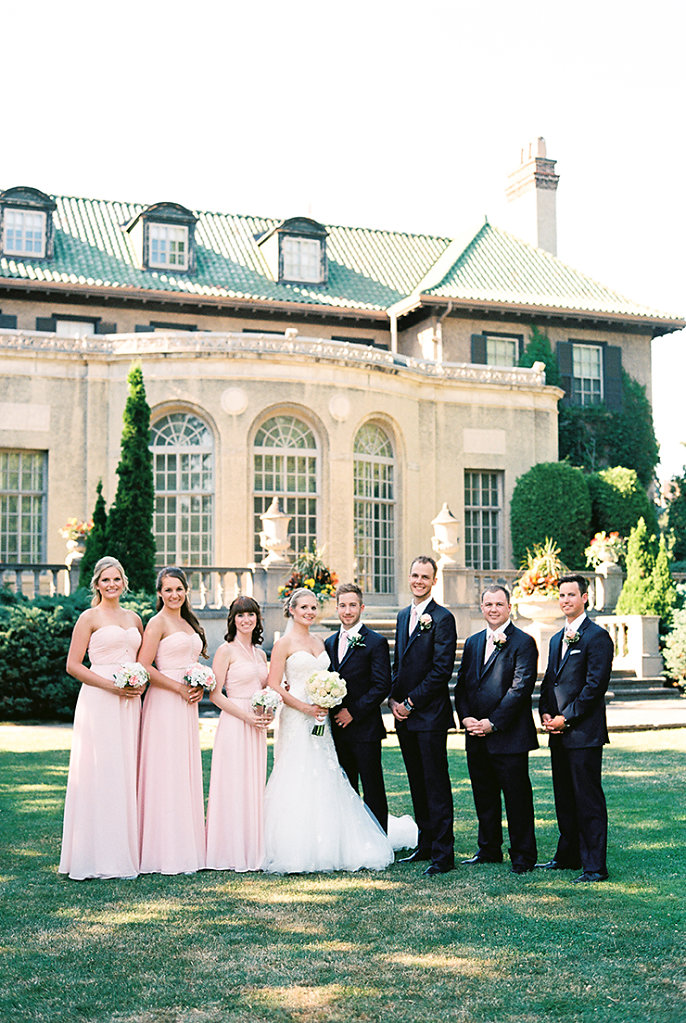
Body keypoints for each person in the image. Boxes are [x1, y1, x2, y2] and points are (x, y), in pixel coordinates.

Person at [262, 587, 394, 874]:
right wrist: (305, 707)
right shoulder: (285, 643)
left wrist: (328, 701)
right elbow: (274, 683)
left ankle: (340, 841)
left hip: (325, 721)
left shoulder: (322, 642)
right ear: (291, 610)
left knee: (329, 776)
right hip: (298, 718)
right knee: (296, 776)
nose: (309, 612)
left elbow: (340, 680)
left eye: (313, 608)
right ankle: (296, 845)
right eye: (304, 608)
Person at [59, 556, 144, 880]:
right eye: (105, 580)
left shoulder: (135, 619)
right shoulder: (89, 617)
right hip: (100, 700)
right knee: (100, 769)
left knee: (125, 770)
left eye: (116, 580)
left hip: (129, 701)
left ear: (124, 583)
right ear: (96, 584)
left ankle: (123, 852)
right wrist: (112, 686)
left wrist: (136, 684)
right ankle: (92, 856)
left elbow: (141, 660)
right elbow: (74, 665)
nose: (111, 585)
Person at [454, 585, 539, 873]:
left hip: (510, 736)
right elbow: (463, 685)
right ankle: (489, 849)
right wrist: (466, 718)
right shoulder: (473, 642)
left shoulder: (524, 642)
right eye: (488, 604)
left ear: (509, 607)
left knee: (517, 799)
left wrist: (493, 723)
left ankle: (523, 855)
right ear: (481, 607)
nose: (493, 609)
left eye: (499, 604)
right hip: (475, 735)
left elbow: (520, 689)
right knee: (484, 795)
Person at [538, 574, 614, 883]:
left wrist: (566, 718)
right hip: (558, 732)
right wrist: (545, 713)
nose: (566, 600)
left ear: (585, 597)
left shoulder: (597, 637)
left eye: (572, 594)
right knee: (564, 797)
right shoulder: (557, 638)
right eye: (562, 595)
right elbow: (549, 681)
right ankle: (568, 856)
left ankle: (595, 865)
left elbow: (594, 687)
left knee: (587, 798)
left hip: (583, 734)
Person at [389, 556, 458, 876]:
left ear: (434, 581)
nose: (418, 580)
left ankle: (444, 854)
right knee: (417, 783)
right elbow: (399, 665)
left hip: (429, 716)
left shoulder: (442, 618)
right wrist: (392, 699)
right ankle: (425, 844)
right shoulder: (404, 616)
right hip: (403, 716)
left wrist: (411, 702)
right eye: (415, 575)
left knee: (435, 783)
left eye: (425, 576)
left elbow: (441, 669)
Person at [137, 567, 207, 874]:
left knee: (182, 769)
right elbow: (144, 666)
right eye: (168, 590)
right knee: (164, 769)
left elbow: (192, 662)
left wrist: (198, 684)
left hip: (187, 706)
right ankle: (160, 850)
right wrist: (179, 686)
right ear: (159, 593)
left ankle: (184, 845)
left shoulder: (188, 622)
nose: (174, 595)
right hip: (165, 703)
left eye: (179, 589)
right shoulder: (157, 622)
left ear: (185, 591)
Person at [205, 596, 270, 872]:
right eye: (241, 615)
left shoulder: (261, 653)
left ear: (257, 619)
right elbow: (215, 694)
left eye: (251, 615)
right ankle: (228, 850)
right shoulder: (225, 651)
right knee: (232, 783)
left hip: (257, 724)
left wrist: (268, 710)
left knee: (253, 783)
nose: (246, 620)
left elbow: (267, 687)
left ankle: (252, 846)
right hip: (234, 720)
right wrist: (244, 715)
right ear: (233, 619)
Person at [324, 583, 391, 832]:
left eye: (353, 605)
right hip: (337, 729)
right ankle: (351, 837)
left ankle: (379, 837)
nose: (347, 610)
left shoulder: (375, 642)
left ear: (361, 607)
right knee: (346, 786)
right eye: (343, 605)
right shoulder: (329, 643)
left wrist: (353, 712)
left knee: (372, 787)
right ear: (337, 608)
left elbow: (382, 685)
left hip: (365, 729)